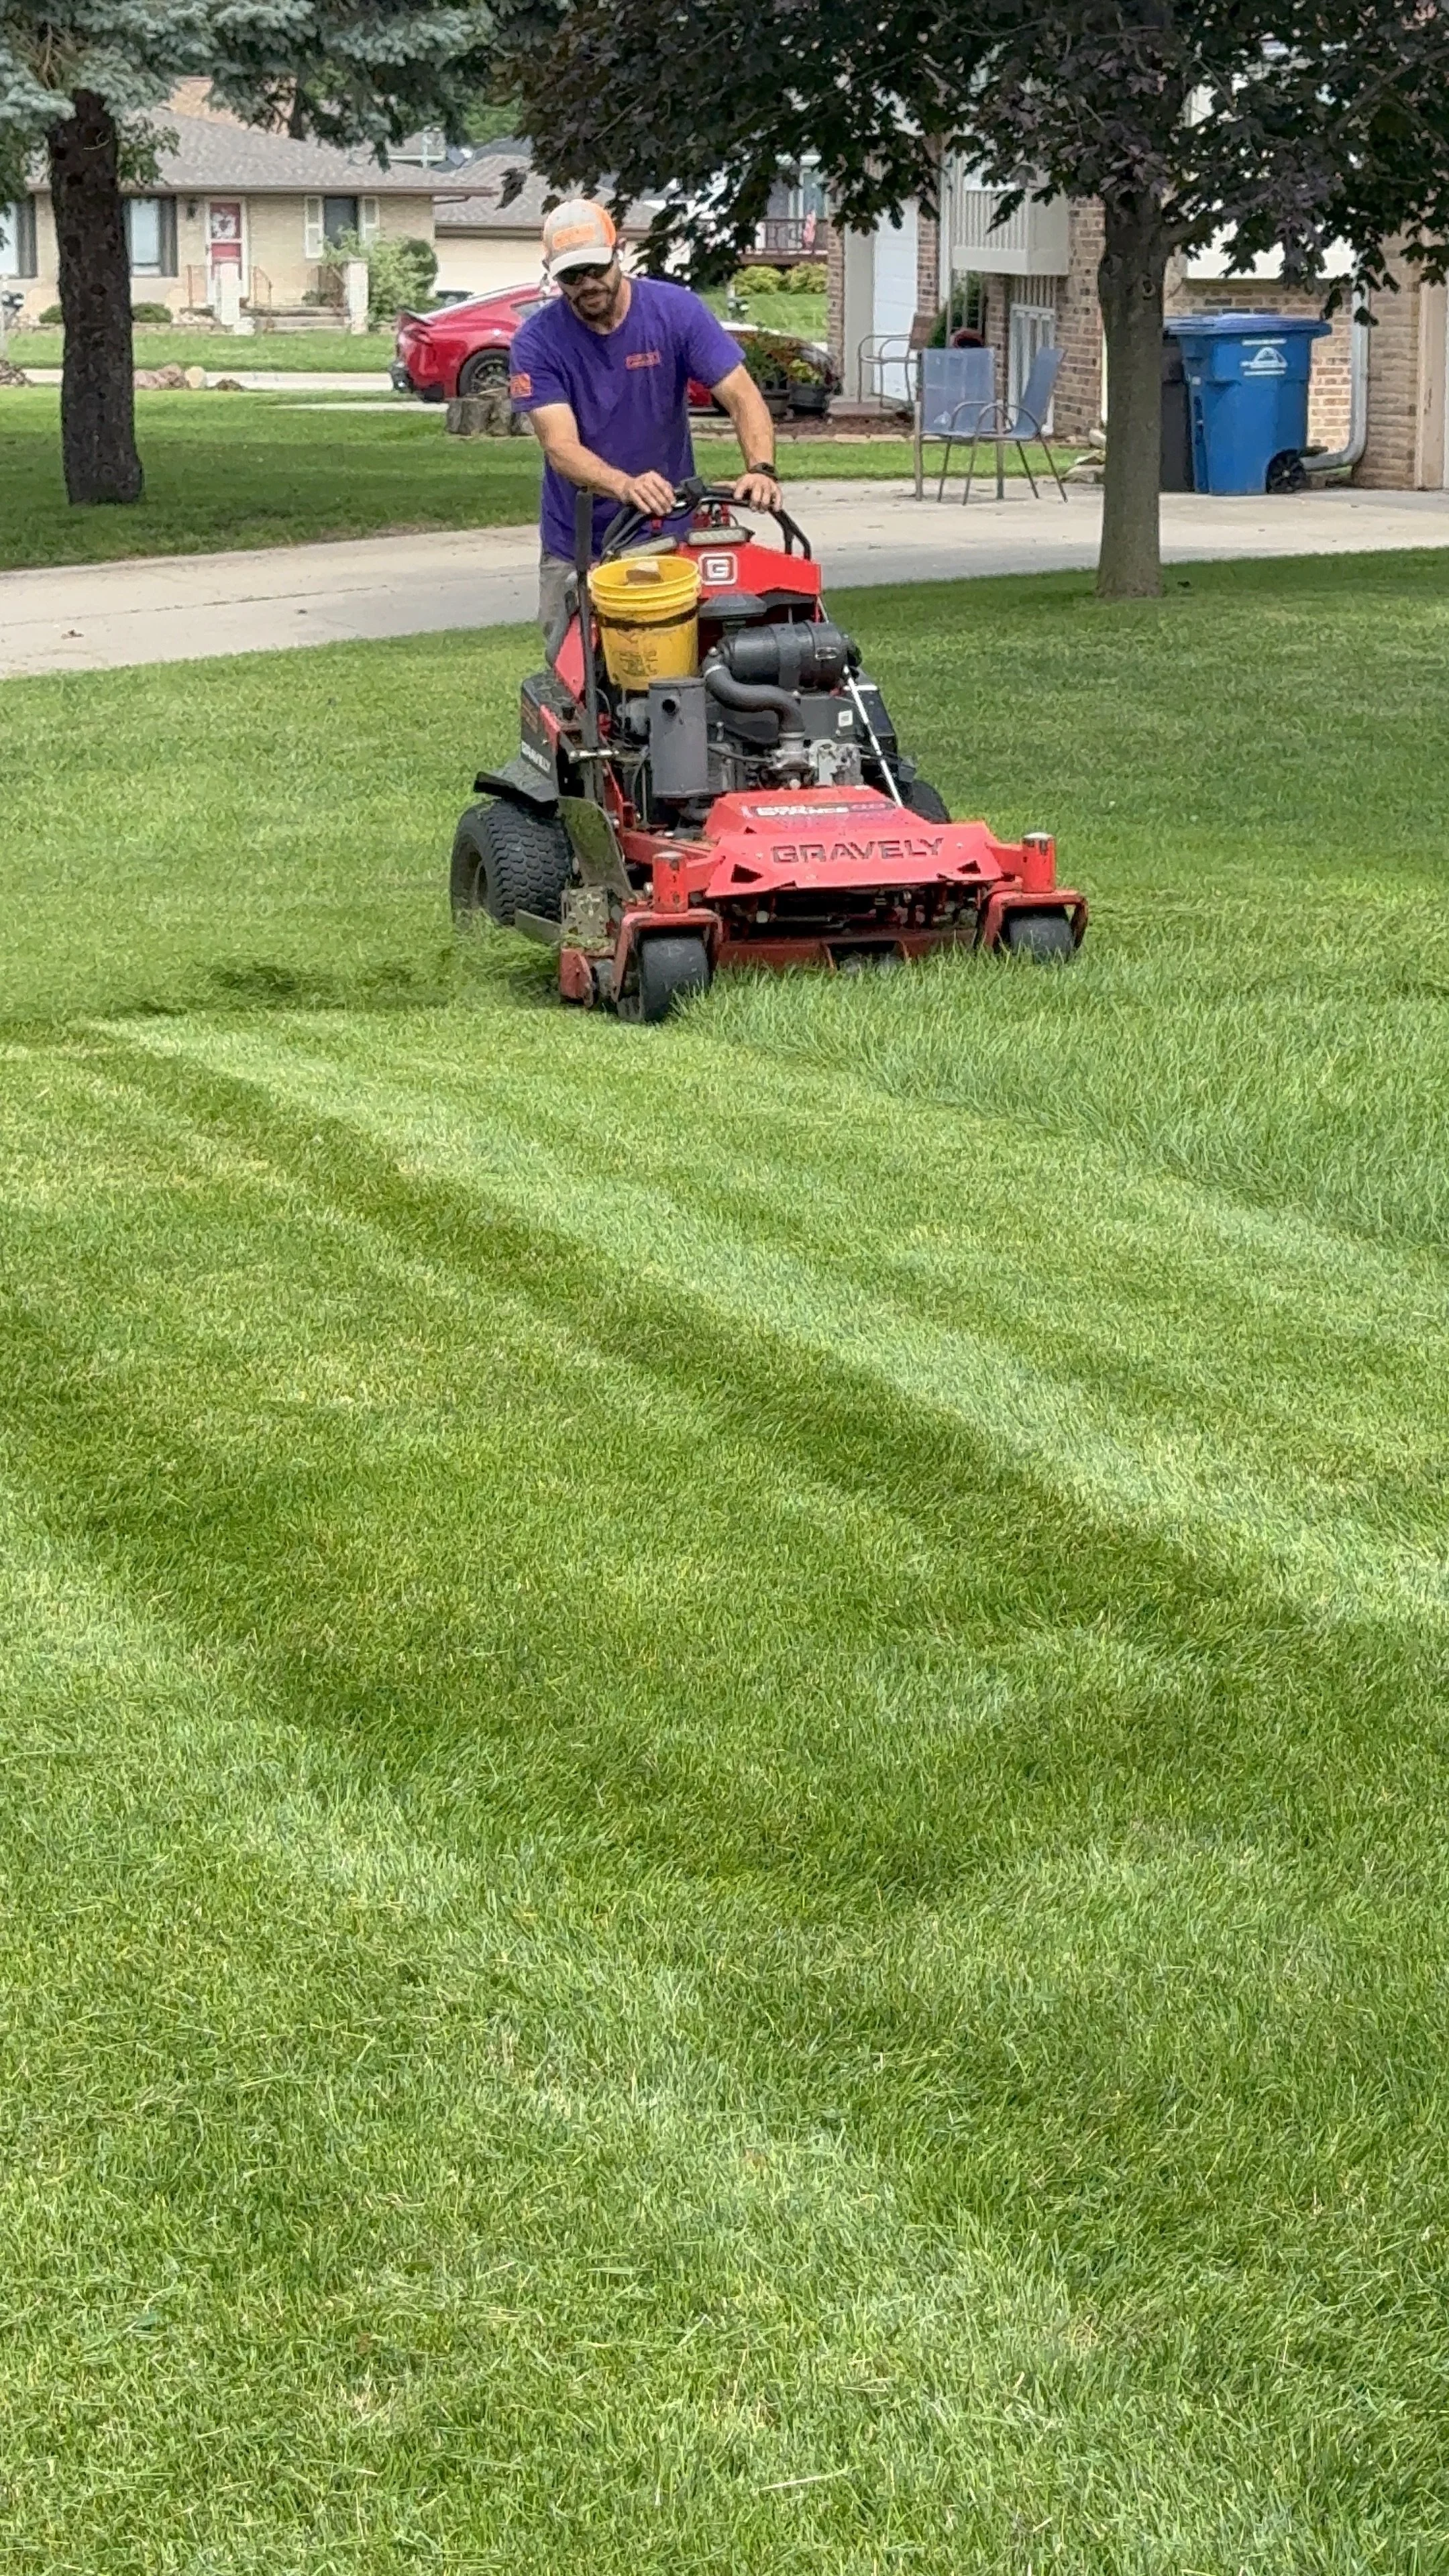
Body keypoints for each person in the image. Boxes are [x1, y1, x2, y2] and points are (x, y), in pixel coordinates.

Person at [508, 199, 784, 647]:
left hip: (669, 534)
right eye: (571, 276)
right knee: (577, 672)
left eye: (596, 268)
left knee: (689, 659)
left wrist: (761, 469)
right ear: (552, 274)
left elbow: (742, 396)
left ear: (620, 252)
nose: (587, 284)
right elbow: (560, 446)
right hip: (580, 543)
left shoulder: (675, 312)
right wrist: (625, 485)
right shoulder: (537, 342)